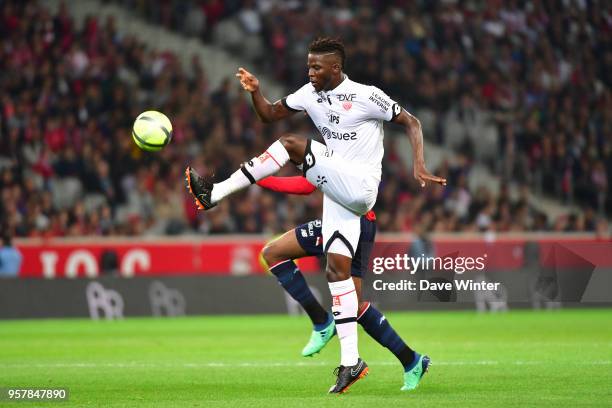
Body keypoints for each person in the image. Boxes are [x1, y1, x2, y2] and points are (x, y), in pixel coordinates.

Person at [185, 37, 446, 393]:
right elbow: (269, 115)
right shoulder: (309, 94)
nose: (310, 72)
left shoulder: (366, 95)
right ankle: (354, 362)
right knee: (338, 279)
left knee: (291, 144)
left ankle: (214, 194)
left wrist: (419, 164)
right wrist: (255, 92)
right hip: (339, 197)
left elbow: (412, 122)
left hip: (361, 187)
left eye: (316, 67)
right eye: (308, 65)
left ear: (336, 68)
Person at [258, 175, 428, 391]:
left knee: (273, 253)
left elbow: (305, 185)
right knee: (353, 308)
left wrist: (259, 178)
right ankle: (412, 361)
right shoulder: (351, 150)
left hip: (344, 223)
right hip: (363, 222)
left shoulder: (337, 152)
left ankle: (322, 322)